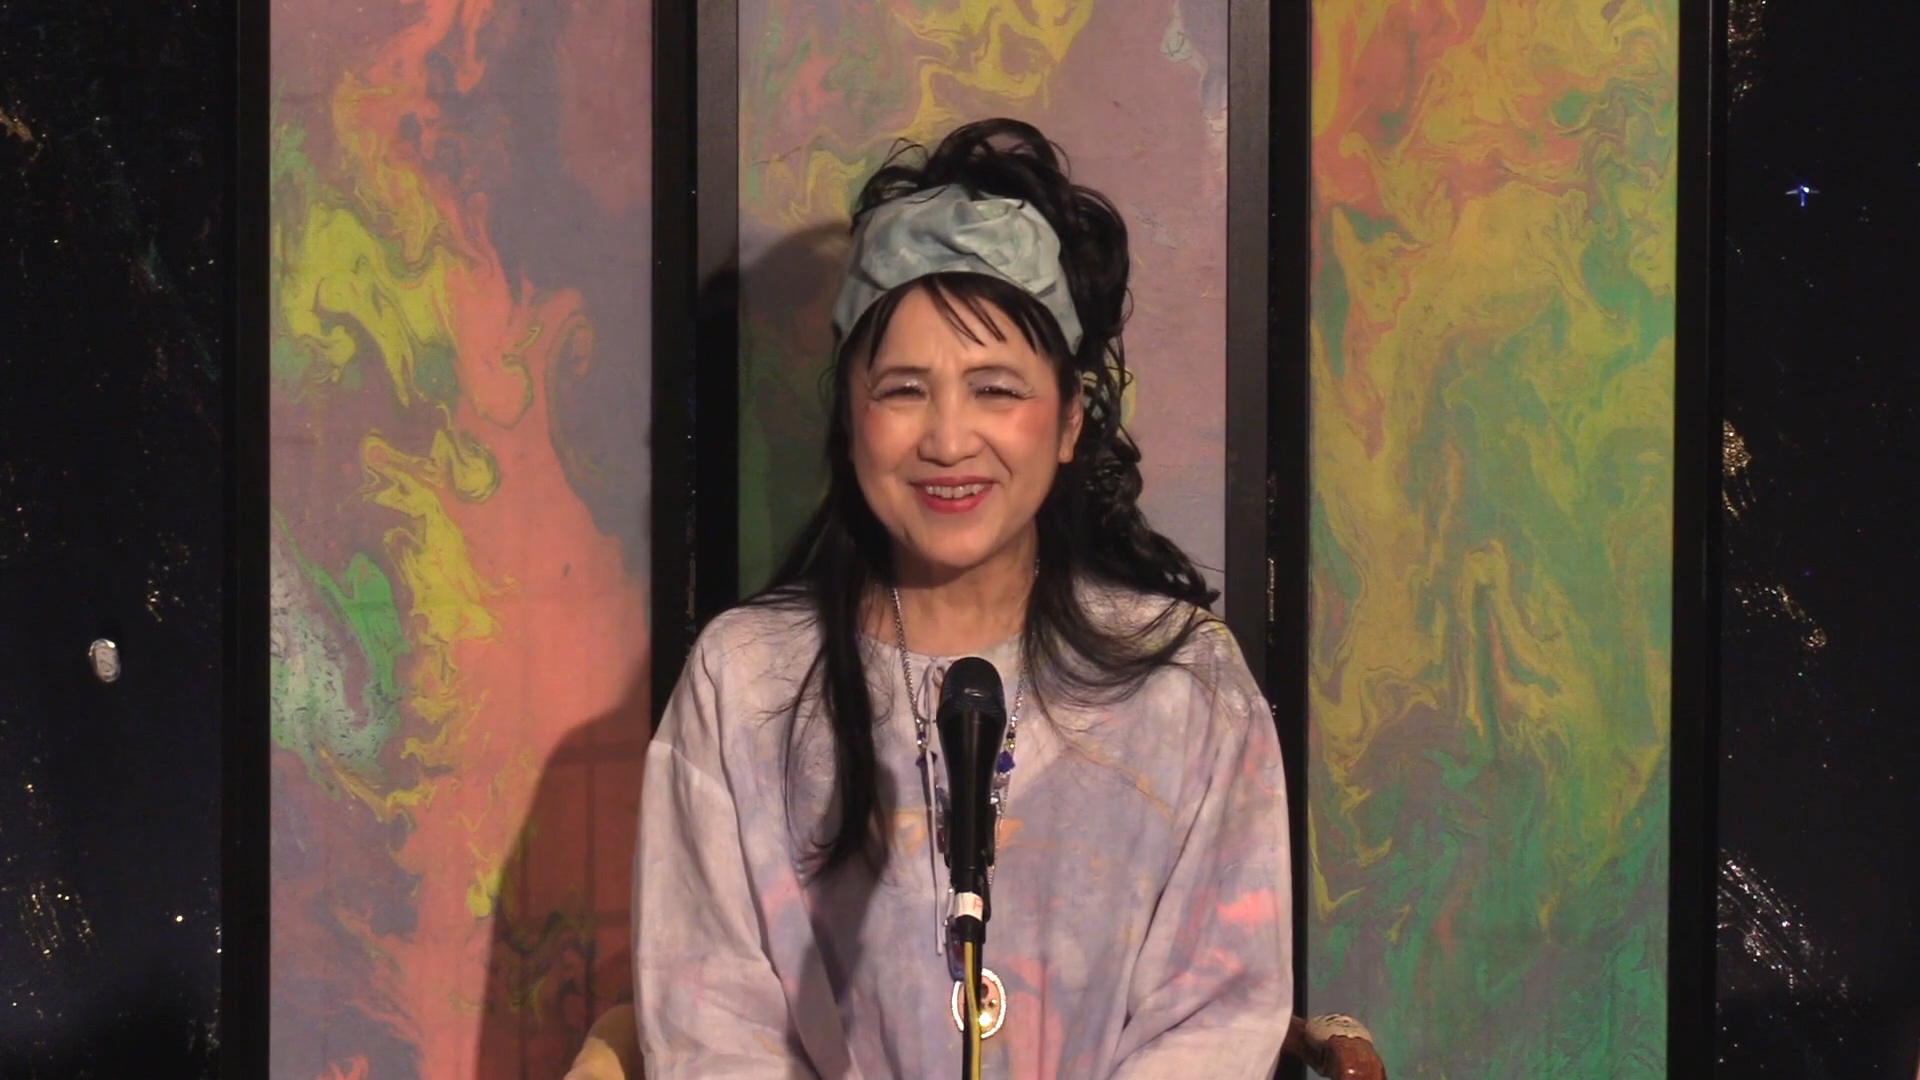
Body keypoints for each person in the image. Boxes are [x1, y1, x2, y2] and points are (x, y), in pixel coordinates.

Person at [633, 118, 1293, 1078]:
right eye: (905, 389)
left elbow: (1218, 1017)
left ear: (1069, 420)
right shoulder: (745, 683)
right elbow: (710, 1024)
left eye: (995, 390)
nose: (947, 440)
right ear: (849, 415)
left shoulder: (1188, 688)